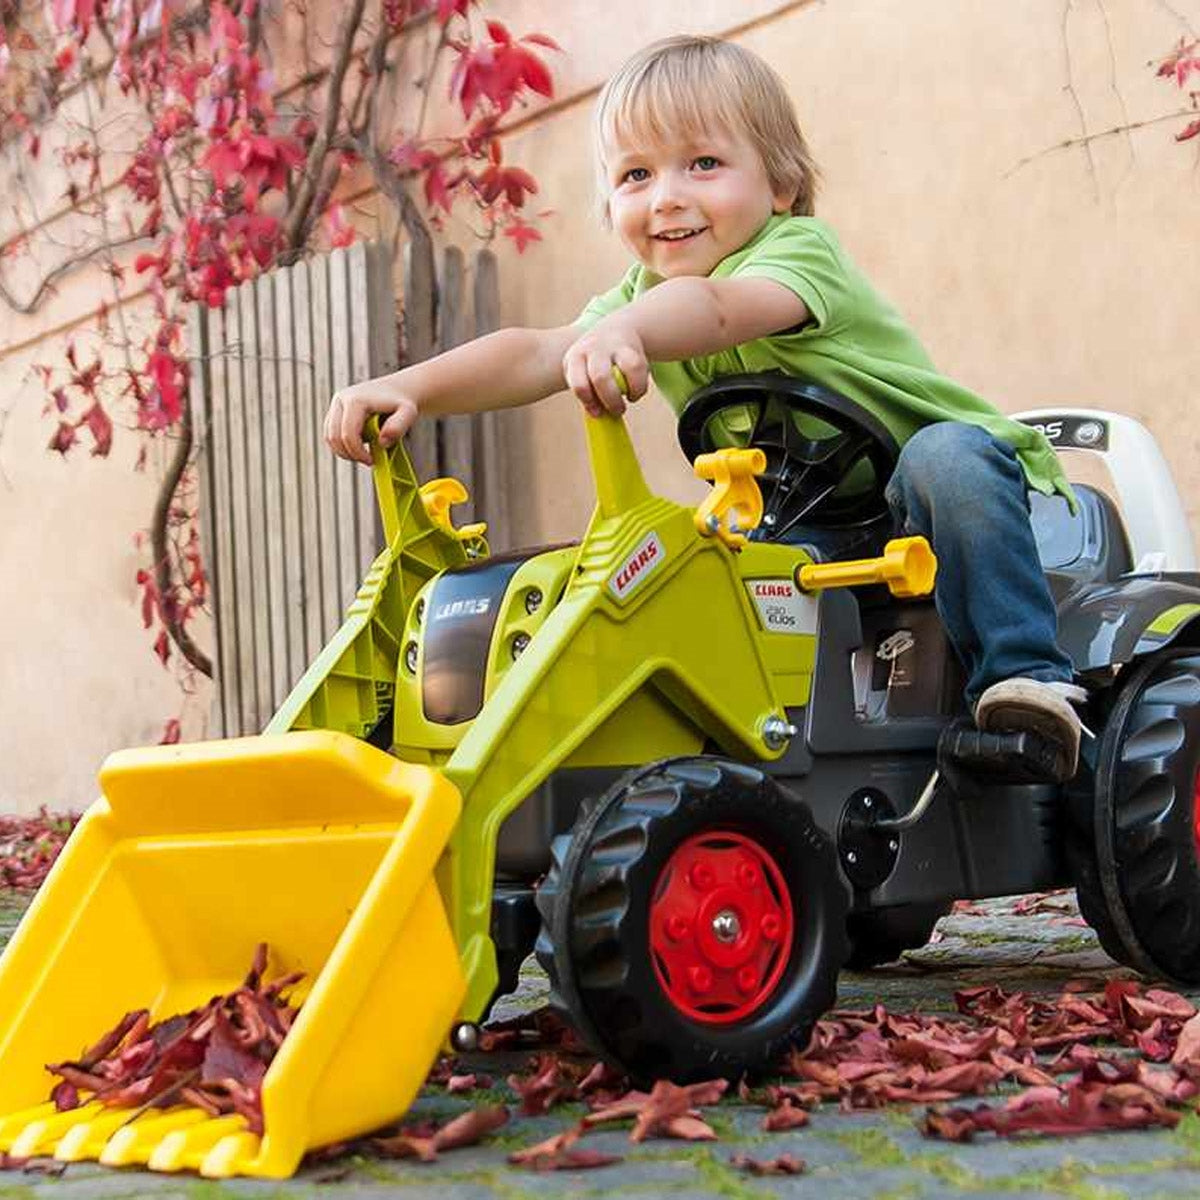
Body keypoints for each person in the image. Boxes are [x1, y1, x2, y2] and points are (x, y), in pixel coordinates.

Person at [324, 35, 1085, 775]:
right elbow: (532, 352)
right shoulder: (639, 300)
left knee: (944, 455)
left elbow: (718, 310)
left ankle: (1025, 680)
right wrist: (412, 386)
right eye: (634, 176)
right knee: (692, 566)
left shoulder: (796, 252)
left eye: (704, 164)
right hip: (804, 524)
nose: (667, 198)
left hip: (923, 502)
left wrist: (628, 330)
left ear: (780, 184)